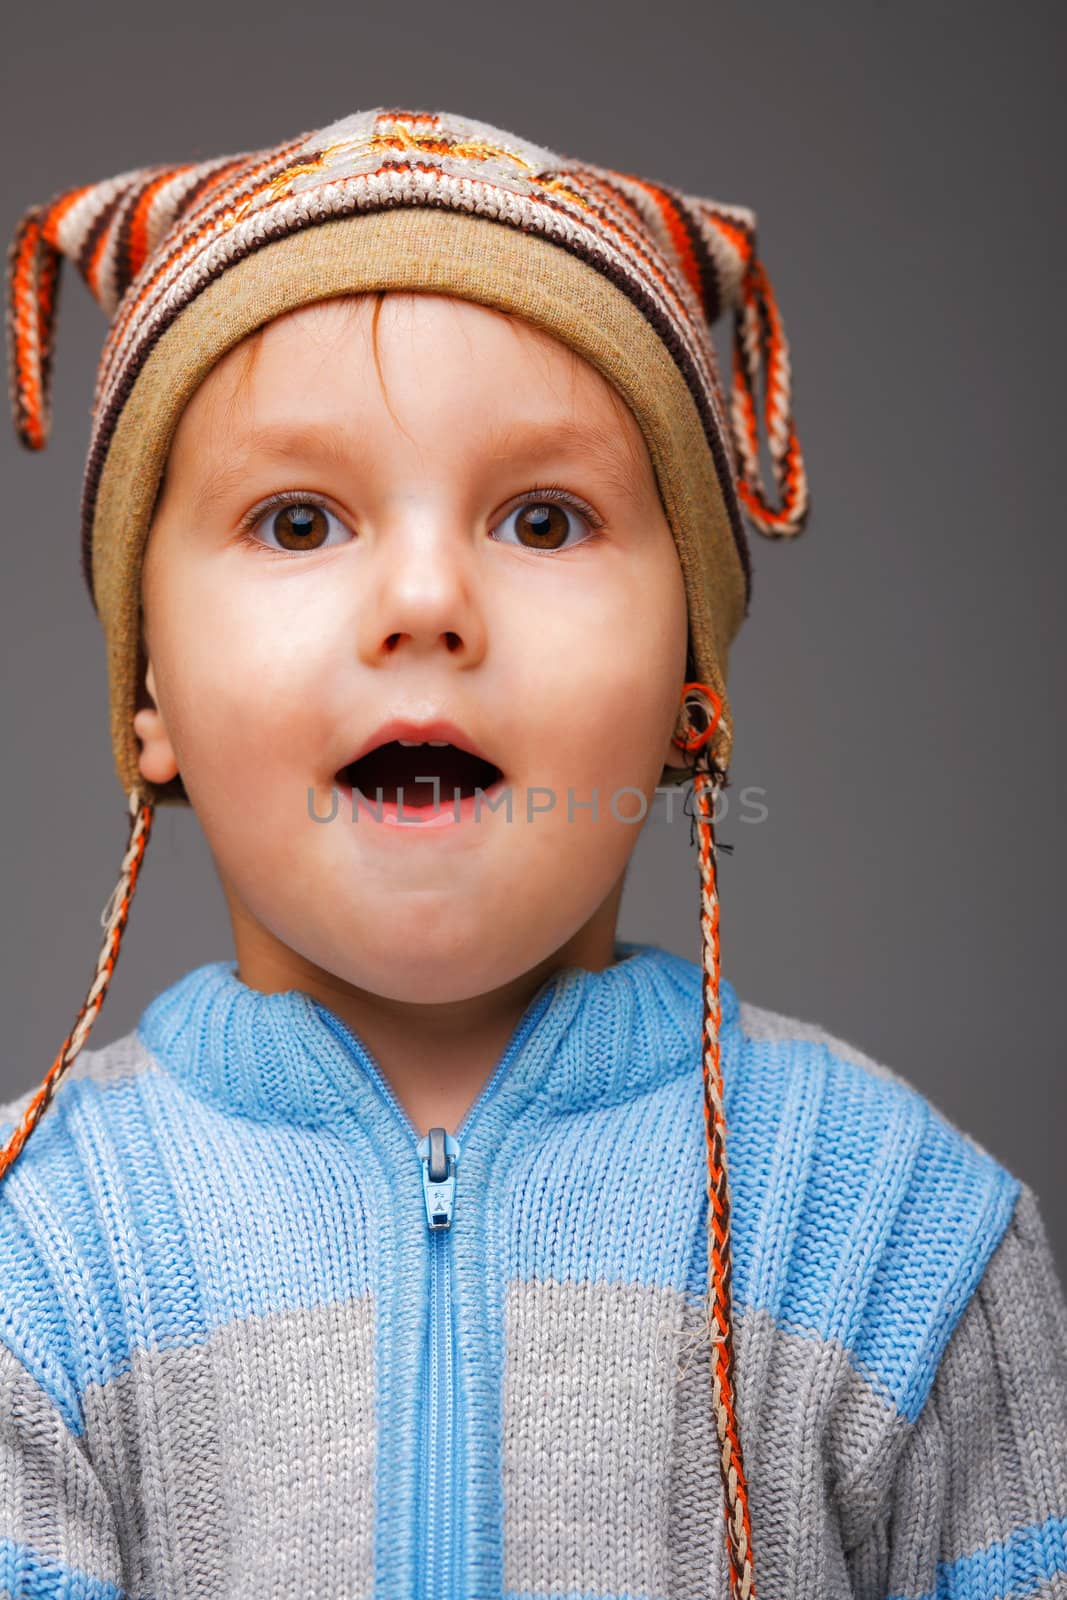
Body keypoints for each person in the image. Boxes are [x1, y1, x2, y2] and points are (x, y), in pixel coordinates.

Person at [1, 105, 1064, 1600]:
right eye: (299, 520)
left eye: (545, 520)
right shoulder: (36, 1262)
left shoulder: (897, 1238)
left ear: (694, 688)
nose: (426, 599)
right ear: (148, 692)